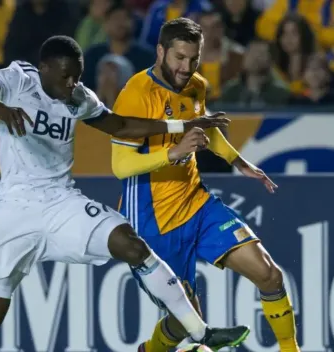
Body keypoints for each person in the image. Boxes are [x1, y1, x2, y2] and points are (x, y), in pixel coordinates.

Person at [0, 35, 250, 352]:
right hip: (13, 214)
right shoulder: (19, 80)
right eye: (65, 76)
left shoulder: (78, 97)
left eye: (76, 77)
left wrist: (184, 124)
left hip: (62, 204)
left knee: (132, 245)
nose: (71, 85)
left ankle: (201, 332)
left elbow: (120, 126)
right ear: (45, 68)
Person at [111, 18, 300, 352]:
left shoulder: (195, 84)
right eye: (179, 58)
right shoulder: (136, 94)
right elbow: (121, 166)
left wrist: (239, 162)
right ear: (160, 51)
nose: (186, 67)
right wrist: (174, 153)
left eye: (193, 59)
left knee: (269, 274)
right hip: (151, 220)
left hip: (196, 203)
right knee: (186, 321)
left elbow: (204, 129)